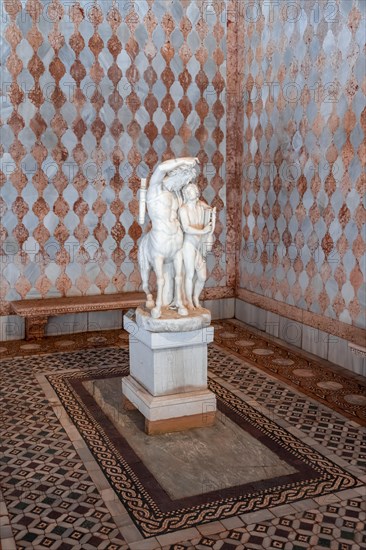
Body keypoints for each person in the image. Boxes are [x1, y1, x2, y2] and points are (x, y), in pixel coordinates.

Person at [179, 183, 216, 310]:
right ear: (185, 195)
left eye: (193, 190)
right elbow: (186, 228)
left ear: (197, 192)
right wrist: (203, 231)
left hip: (200, 244)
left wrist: (212, 215)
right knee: (189, 274)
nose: (190, 192)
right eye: (188, 191)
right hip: (188, 244)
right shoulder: (183, 209)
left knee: (202, 276)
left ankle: (196, 297)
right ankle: (189, 301)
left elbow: (210, 211)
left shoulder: (201, 206)